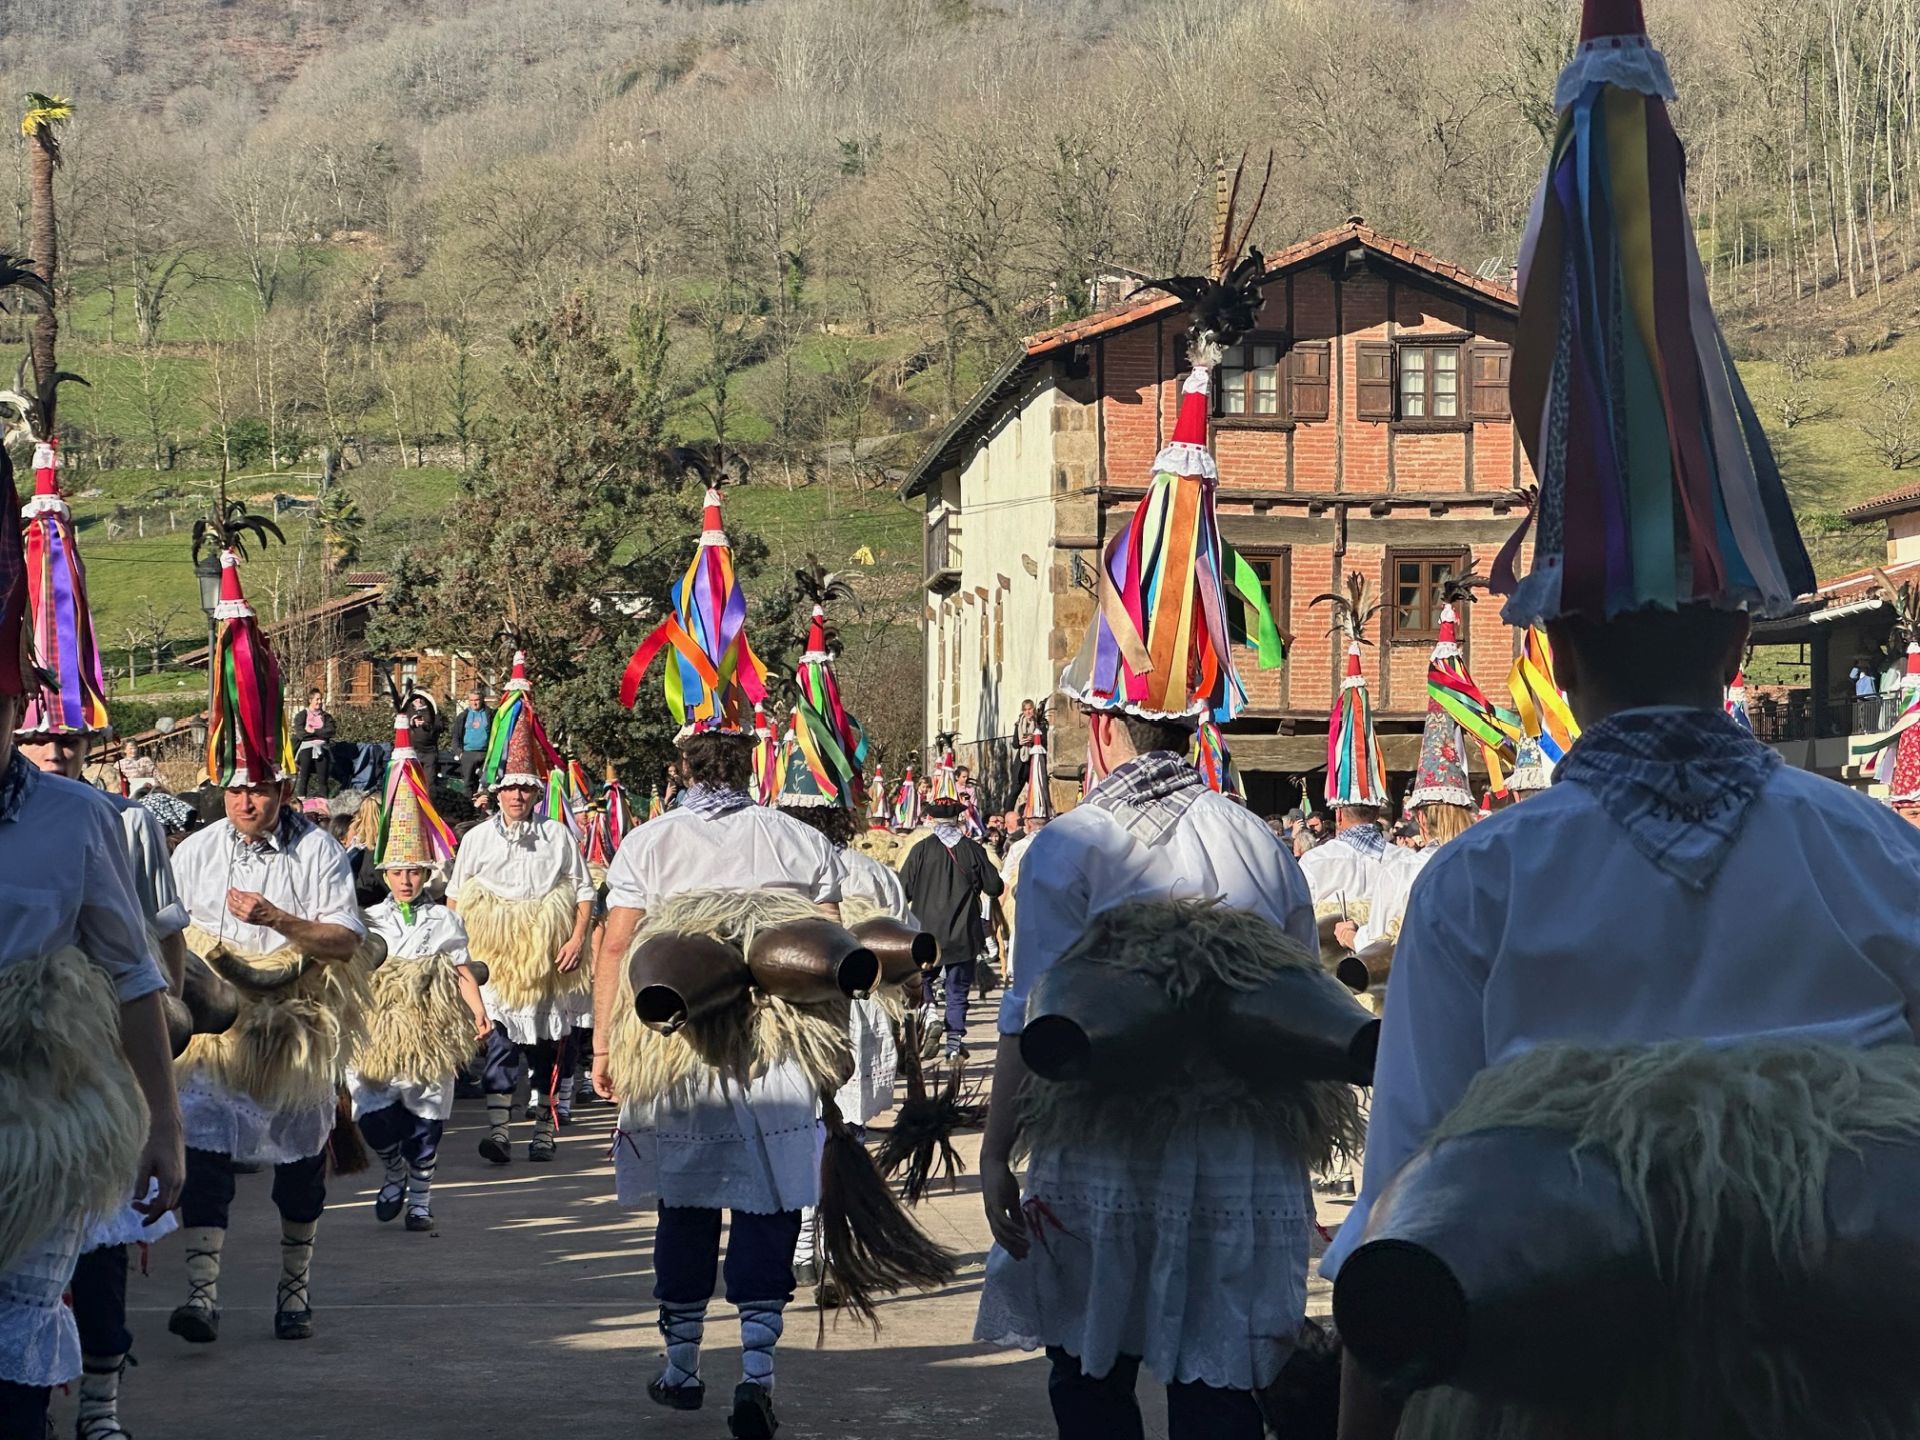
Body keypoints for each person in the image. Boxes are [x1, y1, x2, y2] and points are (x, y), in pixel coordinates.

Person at [1321, 3, 1902, 1434]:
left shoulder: (1481, 886)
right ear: (1741, 634)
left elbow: (1405, 1212)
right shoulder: (1876, 859)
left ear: (1556, 648)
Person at [974, 261, 1307, 1440]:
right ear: (1197, 716)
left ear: (1106, 719)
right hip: (1231, 1158)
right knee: (1218, 1378)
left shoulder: (1067, 848)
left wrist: (998, 1153)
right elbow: (1302, 1019)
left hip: (1104, 1155)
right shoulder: (1266, 850)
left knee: (1094, 1370)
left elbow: (1030, 1021)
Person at [594, 482, 842, 1440]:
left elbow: (619, 945)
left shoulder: (649, 845)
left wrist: (609, 1048)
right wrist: (833, 1058)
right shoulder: (795, 842)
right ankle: (759, 1370)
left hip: (679, 1053)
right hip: (778, 1060)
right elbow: (827, 956)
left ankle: (681, 1364)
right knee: (772, 1202)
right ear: (748, 753)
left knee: (688, 1206)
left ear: (685, 756)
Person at [4, 440, 185, 1440]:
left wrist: (162, 1122)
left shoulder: (78, 821)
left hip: (37, 1124)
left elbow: (132, 972)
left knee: (17, 1342)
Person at [167, 552, 371, 1347]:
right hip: (216, 1031)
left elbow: (345, 939)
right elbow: (166, 936)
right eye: (235, 787)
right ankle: (203, 1298)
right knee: (207, 1160)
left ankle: (293, 1293)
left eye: (259, 787)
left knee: (297, 1165)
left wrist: (281, 920)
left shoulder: (315, 851)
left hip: (291, 1024)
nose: (246, 800)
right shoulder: (195, 852)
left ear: (285, 788)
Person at [446, 652, 594, 1166]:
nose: (515, 795)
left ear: (535, 793)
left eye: (524, 788)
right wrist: (459, 956)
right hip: (496, 954)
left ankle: (544, 1131)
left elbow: (583, 891)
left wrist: (576, 939)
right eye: (508, 787)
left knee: (550, 1045)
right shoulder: (477, 841)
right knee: (501, 1042)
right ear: (497, 791)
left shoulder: (557, 837)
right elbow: (455, 898)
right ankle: (499, 1131)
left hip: (548, 952)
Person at [346, 723, 484, 1233]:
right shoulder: (366, 923)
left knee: (427, 1114)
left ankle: (421, 1201)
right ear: (384, 874)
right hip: (378, 1030)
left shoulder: (444, 920)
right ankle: (392, 1168)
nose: (406, 878)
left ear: (426, 874)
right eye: (398, 870)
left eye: (414, 871)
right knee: (373, 1112)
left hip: (430, 1030)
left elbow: (461, 967)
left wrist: (479, 1012)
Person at [899, 797, 1002, 1060]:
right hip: (963, 932)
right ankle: (954, 1046)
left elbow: (903, 890)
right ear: (959, 819)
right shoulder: (973, 850)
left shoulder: (920, 850)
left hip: (924, 933)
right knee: (958, 989)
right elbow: (994, 888)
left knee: (922, 980)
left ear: (931, 820)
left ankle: (931, 1011)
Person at [291, 688, 334, 799]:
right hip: (306, 747)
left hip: (322, 748)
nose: (320, 702)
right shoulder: (301, 716)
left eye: (321, 699)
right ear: (310, 700)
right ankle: (301, 798)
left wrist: (313, 731)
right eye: (317, 699)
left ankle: (323, 801)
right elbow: (301, 734)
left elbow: (330, 731)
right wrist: (320, 734)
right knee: (304, 774)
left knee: (323, 777)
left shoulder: (326, 717)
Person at [453, 688, 492, 793]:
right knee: (468, 785)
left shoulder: (490, 715)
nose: (474, 703)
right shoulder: (462, 717)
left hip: (486, 754)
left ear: (482, 700)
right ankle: (469, 807)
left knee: (487, 784)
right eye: (472, 700)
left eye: (477, 700)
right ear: (469, 701)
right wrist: (459, 753)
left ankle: (485, 808)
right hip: (468, 754)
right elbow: (456, 736)